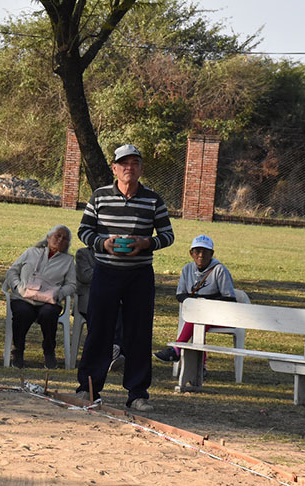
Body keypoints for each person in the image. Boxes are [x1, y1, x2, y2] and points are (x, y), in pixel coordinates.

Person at [75, 144, 174, 412]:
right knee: (99, 329)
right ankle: (88, 389)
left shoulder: (153, 200)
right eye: (124, 163)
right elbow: (84, 231)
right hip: (106, 271)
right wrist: (103, 243)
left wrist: (146, 243)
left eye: (135, 163)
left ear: (141, 169)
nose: (129, 168)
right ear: (114, 168)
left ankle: (137, 394)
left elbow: (167, 235)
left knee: (139, 333)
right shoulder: (99, 197)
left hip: (139, 275)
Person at [154, 234, 236, 363]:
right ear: (191, 253)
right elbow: (180, 295)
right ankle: (200, 366)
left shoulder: (219, 270)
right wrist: (196, 303)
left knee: (200, 318)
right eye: (197, 251)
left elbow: (230, 299)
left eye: (205, 252)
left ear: (212, 254)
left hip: (218, 315)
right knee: (198, 320)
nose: (201, 255)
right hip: (196, 314)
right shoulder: (187, 269)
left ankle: (177, 349)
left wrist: (206, 304)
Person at [4, 225, 77, 369]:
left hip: (49, 301)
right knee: (23, 313)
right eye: (57, 236)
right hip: (23, 298)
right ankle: (18, 350)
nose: (60, 240)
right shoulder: (31, 252)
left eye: (64, 238)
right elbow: (12, 271)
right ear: (48, 237)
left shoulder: (68, 261)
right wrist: (18, 286)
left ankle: (49, 351)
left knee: (48, 314)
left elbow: (72, 285)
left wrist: (58, 294)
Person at [76, 245, 125, 372]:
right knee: (105, 314)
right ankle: (114, 351)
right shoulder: (83, 253)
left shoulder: (115, 254)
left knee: (120, 312)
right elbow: (85, 276)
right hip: (90, 299)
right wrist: (109, 274)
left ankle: (115, 350)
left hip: (113, 298)